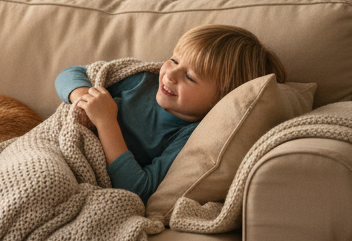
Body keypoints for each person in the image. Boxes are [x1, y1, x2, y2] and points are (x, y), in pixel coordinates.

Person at [56, 24, 286, 204]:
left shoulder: (189, 138)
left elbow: (138, 189)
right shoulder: (142, 80)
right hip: (58, 142)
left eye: (190, 77)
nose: (169, 74)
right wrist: (83, 97)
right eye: (174, 60)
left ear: (221, 101)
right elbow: (71, 73)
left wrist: (106, 122)